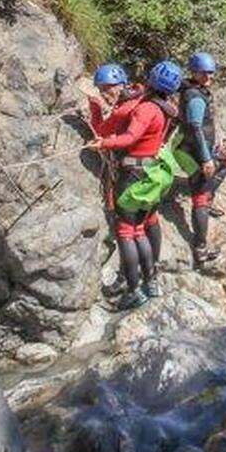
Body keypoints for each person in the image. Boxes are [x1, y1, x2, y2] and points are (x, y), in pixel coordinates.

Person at [88, 59, 182, 310]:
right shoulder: (164, 107)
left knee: (126, 233)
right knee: (139, 230)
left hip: (133, 173)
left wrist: (104, 143)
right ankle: (150, 283)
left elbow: (129, 137)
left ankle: (133, 290)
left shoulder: (145, 109)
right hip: (153, 171)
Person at [83, 62, 145, 297]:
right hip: (149, 168)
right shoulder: (141, 98)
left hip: (131, 171)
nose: (103, 94)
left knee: (125, 230)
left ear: (117, 86)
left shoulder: (122, 109)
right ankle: (147, 272)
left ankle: (127, 280)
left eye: (105, 89)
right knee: (143, 226)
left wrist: (95, 107)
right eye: (100, 90)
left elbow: (101, 130)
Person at [171, 51, 226, 270]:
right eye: (204, 73)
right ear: (194, 72)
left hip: (195, 147)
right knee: (200, 198)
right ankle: (201, 249)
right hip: (193, 151)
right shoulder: (195, 96)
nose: (208, 77)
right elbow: (195, 126)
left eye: (210, 73)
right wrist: (206, 158)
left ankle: (207, 197)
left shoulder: (196, 90)